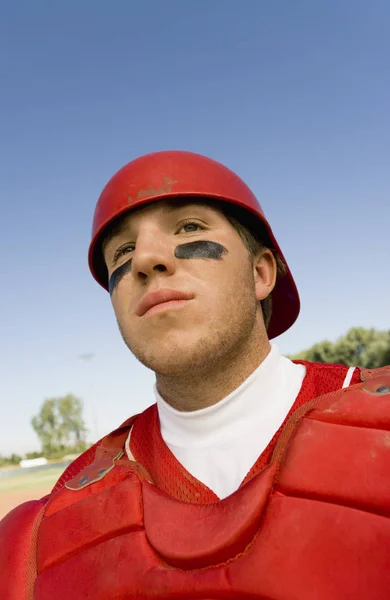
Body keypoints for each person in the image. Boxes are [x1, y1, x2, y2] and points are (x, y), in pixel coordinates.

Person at [1, 150, 389, 600]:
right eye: (123, 252)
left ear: (262, 274)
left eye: (189, 227)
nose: (145, 258)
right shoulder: (40, 540)